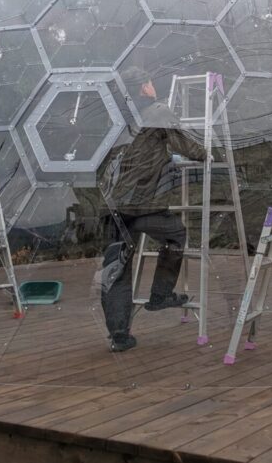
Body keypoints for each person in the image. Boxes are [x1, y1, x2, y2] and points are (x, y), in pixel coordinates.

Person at [98, 67, 210, 352]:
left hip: (113, 205)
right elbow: (191, 148)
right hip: (142, 204)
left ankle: (119, 336)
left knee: (117, 267)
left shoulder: (117, 116)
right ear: (143, 88)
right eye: (149, 82)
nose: (152, 86)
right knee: (176, 234)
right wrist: (212, 152)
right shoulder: (158, 112)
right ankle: (160, 294)